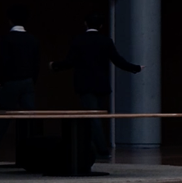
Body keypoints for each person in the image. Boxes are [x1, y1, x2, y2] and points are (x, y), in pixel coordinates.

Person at [55, 12, 140, 159]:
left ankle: (101, 149)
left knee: (92, 117)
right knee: (95, 117)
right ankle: (94, 148)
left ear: (85, 23)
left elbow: (69, 61)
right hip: (101, 85)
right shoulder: (106, 41)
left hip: (85, 85)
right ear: (100, 26)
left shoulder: (79, 40)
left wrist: (54, 66)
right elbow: (118, 60)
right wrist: (135, 68)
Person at [0, 5, 40, 160]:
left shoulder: (7, 39)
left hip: (11, 82)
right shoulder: (32, 39)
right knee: (31, 116)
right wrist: (32, 81)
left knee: (4, 115)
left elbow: (3, 63)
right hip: (28, 82)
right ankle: (36, 149)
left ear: (10, 20)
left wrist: (2, 83)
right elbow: (36, 64)